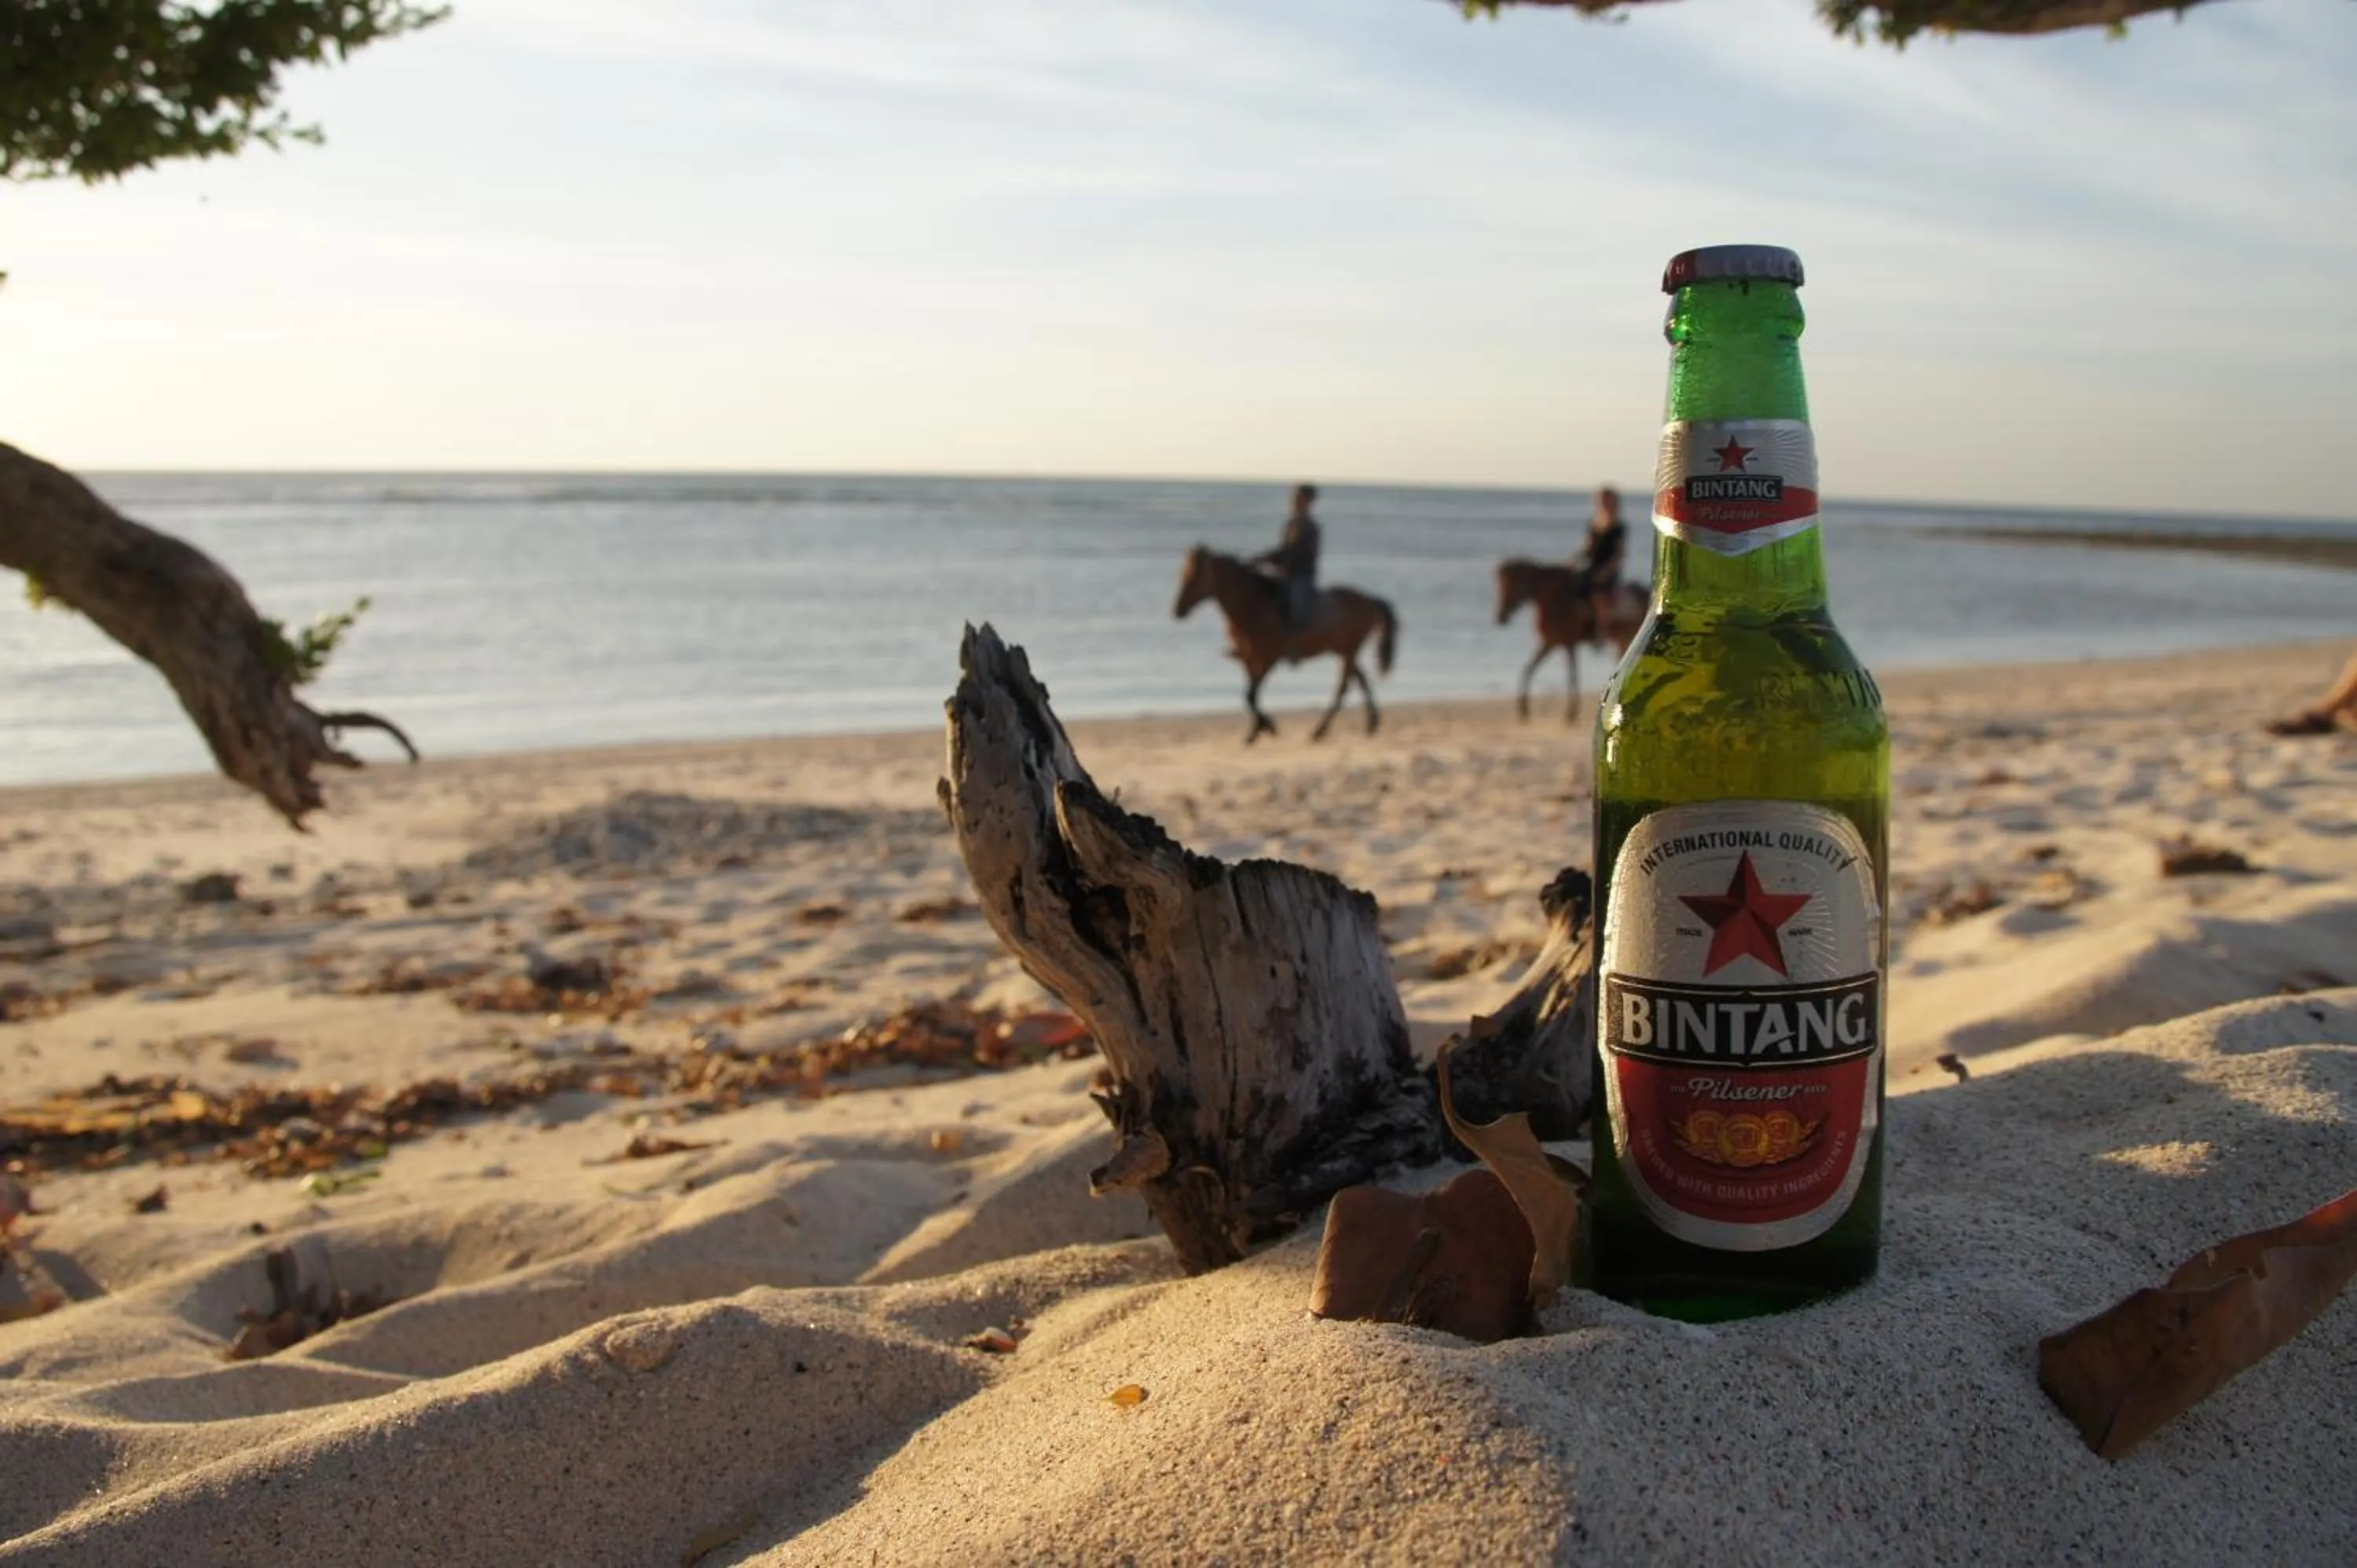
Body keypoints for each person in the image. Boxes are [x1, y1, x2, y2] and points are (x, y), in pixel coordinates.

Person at [1254, 482, 1321, 633]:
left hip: (1301, 576)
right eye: (1294, 498)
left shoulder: (1310, 527)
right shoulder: (1290, 525)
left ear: (1308, 502)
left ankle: (1297, 640)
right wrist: (1263, 559)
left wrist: (1271, 559)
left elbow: (1295, 551)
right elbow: (1283, 549)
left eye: (1299, 498)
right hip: (1284, 574)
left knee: (1297, 605)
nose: (1295, 502)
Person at [1573, 485, 1629, 634]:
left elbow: (1620, 554)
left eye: (1606, 500)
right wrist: (1573, 561)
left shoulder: (1618, 526)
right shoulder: (1595, 523)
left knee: (1598, 594)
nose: (1603, 503)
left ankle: (1602, 630)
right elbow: (1587, 546)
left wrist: (1606, 572)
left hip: (1608, 570)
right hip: (1591, 566)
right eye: (1601, 500)